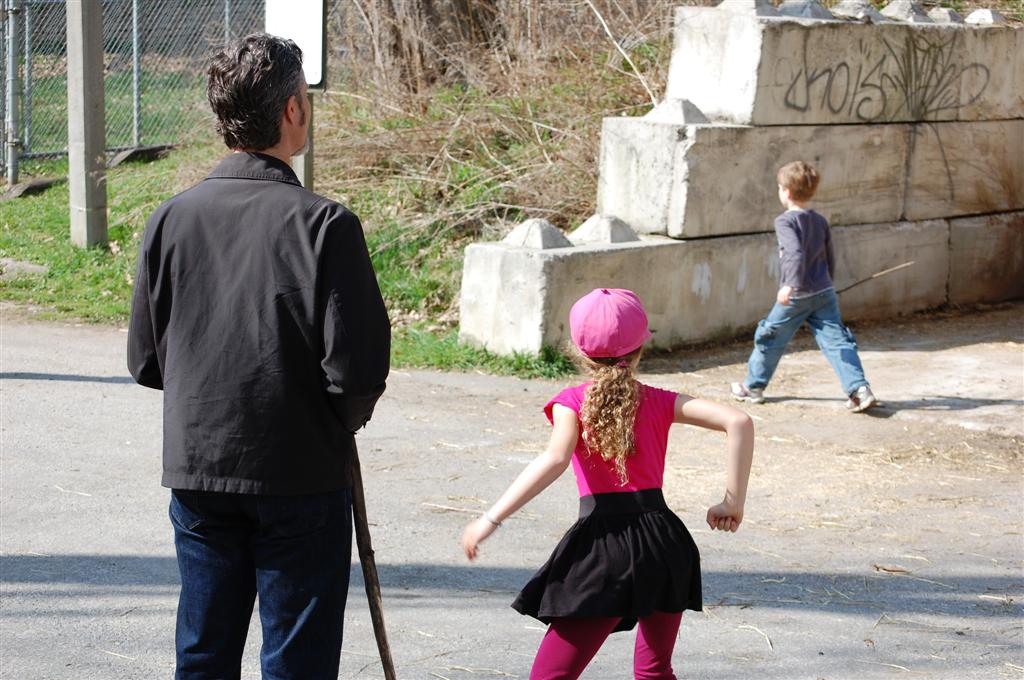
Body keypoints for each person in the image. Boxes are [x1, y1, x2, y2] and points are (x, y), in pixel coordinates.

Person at [127, 33, 391, 680]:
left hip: (199, 467)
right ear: (293, 109)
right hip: (302, 473)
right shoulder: (325, 225)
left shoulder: (171, 219)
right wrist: (337, 422)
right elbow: (358, 371)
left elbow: (146, 361)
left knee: (203, 654)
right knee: (297, 662)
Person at [462, 288, 754, 679]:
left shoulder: (571, 403)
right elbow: (738, 421)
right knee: (654, 673)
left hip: (605, 553)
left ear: (578, 352)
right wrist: (732, 502)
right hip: (665, 545)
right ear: (640, 349)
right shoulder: (660, 399)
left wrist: (490, 518)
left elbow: (554, 459)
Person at [731, 160, 878, 412]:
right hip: (824, 292)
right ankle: (859, 390)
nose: (779, 191)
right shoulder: (819, 220)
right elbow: (829, 256)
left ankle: (753, 387)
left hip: (796, 295)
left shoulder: (785, 222)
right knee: (838, 342)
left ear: (786, 192)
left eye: (779, 187)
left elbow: (794, 253)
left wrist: (790, 284)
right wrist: (828, 283)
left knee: (769, 336)